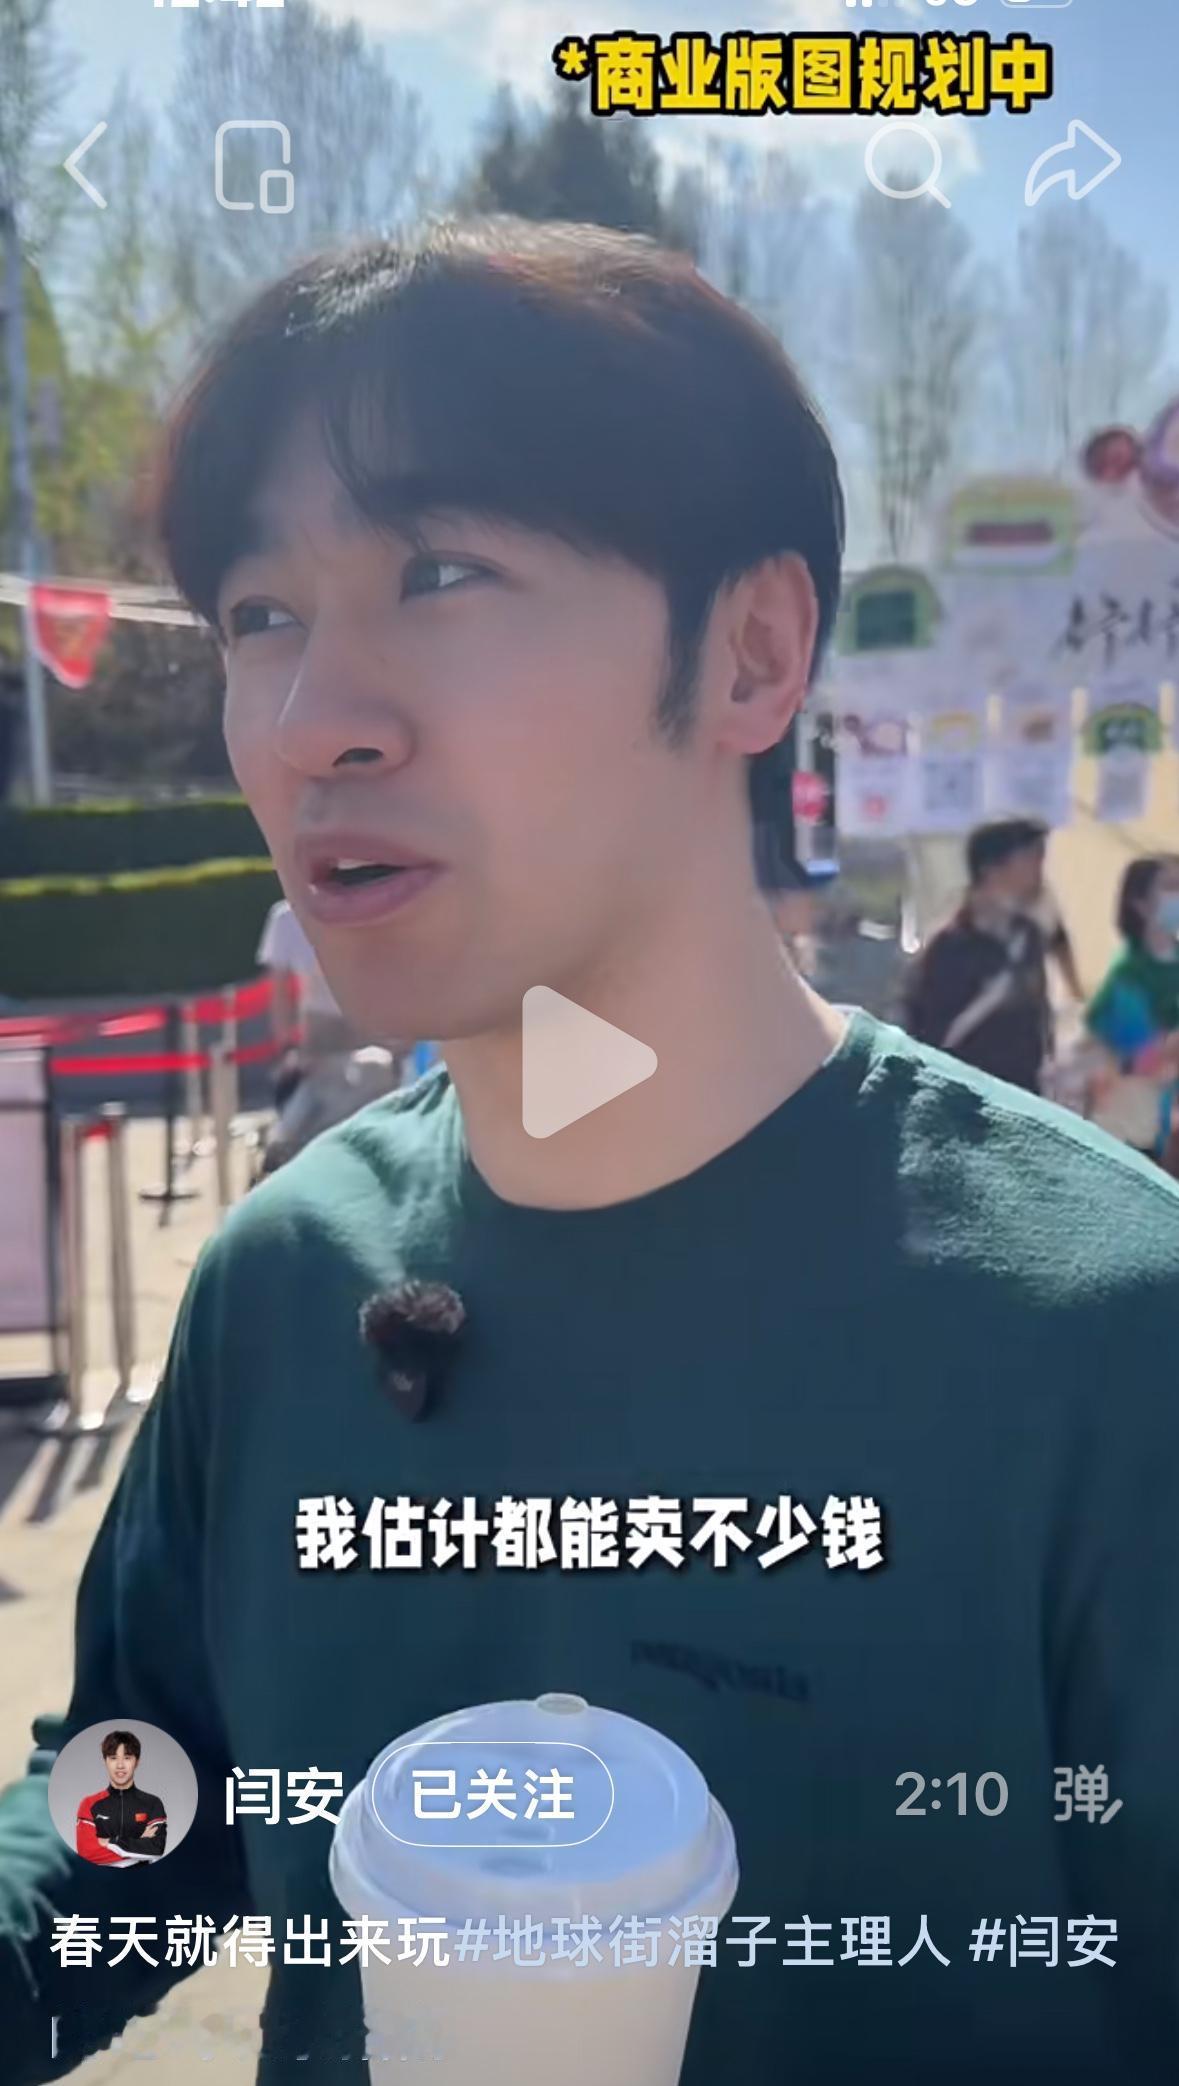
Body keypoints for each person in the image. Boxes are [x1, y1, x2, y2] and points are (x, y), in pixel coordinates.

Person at [2, 219, 1178, 2086]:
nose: (311, 724)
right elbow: (138, 1796)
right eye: (257, 616)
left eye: (441, 573)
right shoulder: (280, 1282)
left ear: (750, 650)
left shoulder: (1104, 1333)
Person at [900, 816, 1080, 1092]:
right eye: (1030, 860)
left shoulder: (1029, 936)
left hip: (1024, 1097)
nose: (1039, 873)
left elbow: (1039, 1020)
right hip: (966, 1100)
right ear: (991, 869)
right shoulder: (949, 948)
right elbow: (930, 1039)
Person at [1084, 854, 1179, 1163]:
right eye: (1171, 887)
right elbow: (1142, 1059)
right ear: (1140, 904)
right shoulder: (1128, 975)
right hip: (1141, 1132)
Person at [256, 894, 352, 1058]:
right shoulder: (286, 918)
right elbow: (278, 990)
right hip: (321, 1026)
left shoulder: (365, 904)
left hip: (374, 1021)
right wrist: (287, 1047)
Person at [74, 1731, 166, 1868]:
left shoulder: (152, 1803)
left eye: (127, 1758)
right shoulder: (89, 1804)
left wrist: (108, 1842)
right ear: (105, 1761)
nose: (120, 1765)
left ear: (137, 1762)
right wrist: (139, 1844)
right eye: (113, 1758)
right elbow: (86, 1853)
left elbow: (156, 1847)